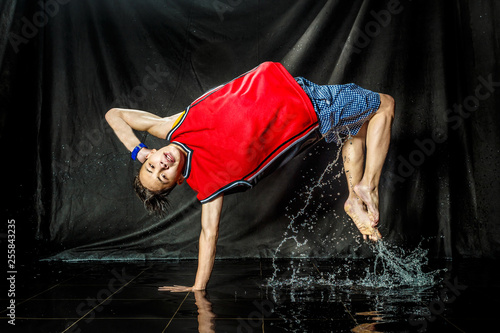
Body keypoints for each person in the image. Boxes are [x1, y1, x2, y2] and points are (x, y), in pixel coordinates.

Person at [105, 62, 395, 293]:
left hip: (298, 95)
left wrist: (138, 151)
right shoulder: (208, 183)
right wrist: (198, 286)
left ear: (152, 153)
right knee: (384, 105)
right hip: (309, 105)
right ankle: (367, 186)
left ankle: (354, 200)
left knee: (359, 127)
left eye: (152, 165)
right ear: (178, 181)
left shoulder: (171, 127)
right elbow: (209, 234)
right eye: (163, 176)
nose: (161, 166)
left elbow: (115, 115)